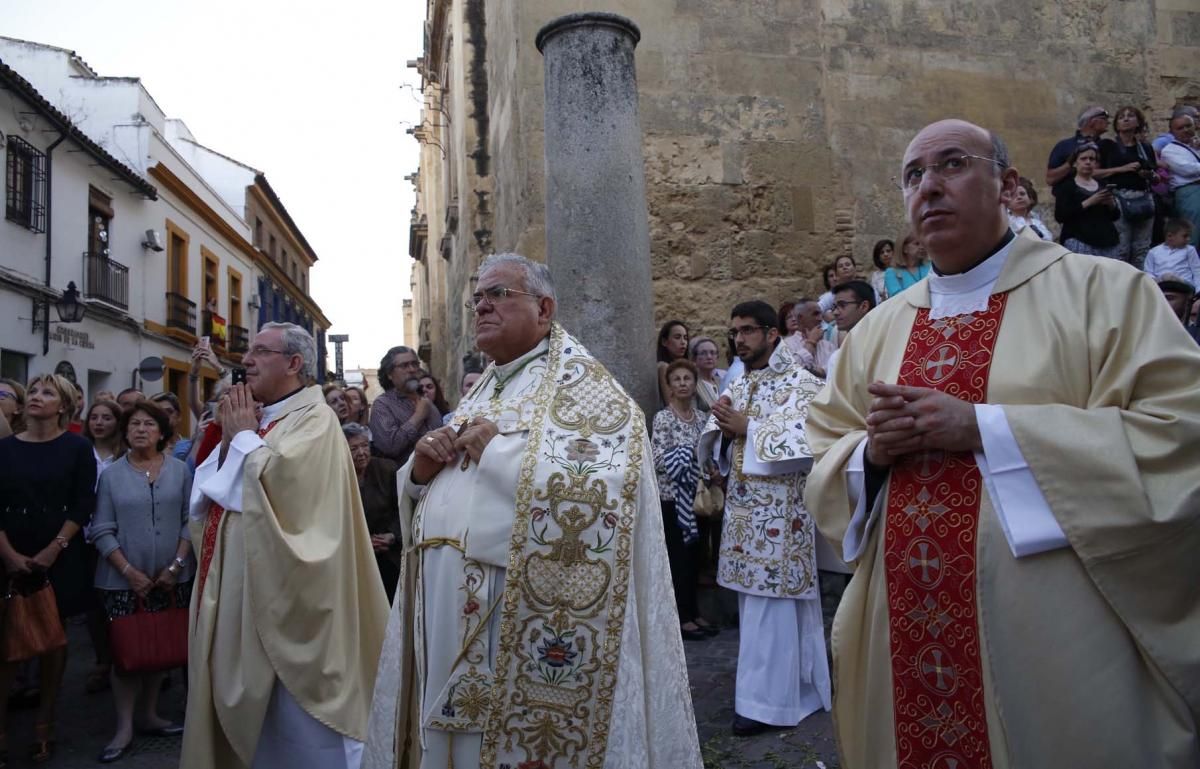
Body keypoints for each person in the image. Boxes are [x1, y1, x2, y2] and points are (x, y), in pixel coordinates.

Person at [804, 118, 1200, 768]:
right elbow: (826, 454)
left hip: (1057, 649)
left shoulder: (1104, 293)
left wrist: (986, 429)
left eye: (952, 164)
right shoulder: (874, 334)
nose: (929, 187)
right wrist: (870, 456)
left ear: (1008, 185)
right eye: (913, 175)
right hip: (905, 636)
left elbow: (1179, 433)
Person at [364, 253, 702, 769]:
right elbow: (436, 480)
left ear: (544, 309)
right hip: (440, 600)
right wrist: (418, 474)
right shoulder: (488, 387)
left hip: (511, 611)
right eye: (478, 296)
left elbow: (609, 484)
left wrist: (496, 453)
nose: (481, 305)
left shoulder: (585, 389)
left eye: (497, 294)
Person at [183, 322, 388, 769]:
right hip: (244, 588)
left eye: (261, 351)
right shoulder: (265, 415)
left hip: (290, 600)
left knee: (299, 734)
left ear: (294, 363)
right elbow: (213, 496)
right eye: (249, 351)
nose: (247, 360)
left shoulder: (315, 420)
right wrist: (232, 436)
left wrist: (241, 437)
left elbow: (285, 494)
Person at [698, 300, 830, 738]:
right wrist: (719, 439)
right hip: (742, 514)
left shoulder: (802, 383)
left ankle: (768, 705)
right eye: (734, 331)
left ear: (773, 334)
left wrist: (746, 428)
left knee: (773, 607)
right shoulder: (743, 382)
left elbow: (808, 442)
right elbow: (721, 434)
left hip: (781, 517)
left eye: (748, 330)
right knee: (754, 607)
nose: (738, 339)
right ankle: (774, 693)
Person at [0, 374, 97, 765]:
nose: (37, 397)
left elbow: (82, 503)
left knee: (54, 644)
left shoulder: (78, 447)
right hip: (9, 550)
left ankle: (45, 725)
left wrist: (54, 549)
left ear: (65, 406)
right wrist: (7, 554)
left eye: (47, 392)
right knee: (5, 644)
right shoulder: (4, 449)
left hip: (59, 554)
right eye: (34, 391)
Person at [90, 400, 193, 762]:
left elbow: (189, 521)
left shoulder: (181, 471)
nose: (140, 430)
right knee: (127, 652)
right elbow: (101, 528)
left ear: (162, 432)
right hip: (121, 581)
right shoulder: (112, 475)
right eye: (134, 424)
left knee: (158, 645)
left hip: (171, 577)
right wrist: (128, 572)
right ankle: (123, 726)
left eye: (149, 424)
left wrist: (176, 566)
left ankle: (150, 714)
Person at [652, 359, 716, 642]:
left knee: (697, 558)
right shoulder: (663, 419)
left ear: (694, 384)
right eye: (676, 379)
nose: (682, 383)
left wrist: (710, 467)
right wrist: (686, 458)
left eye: (687, 379)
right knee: (679, 560)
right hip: (672, 499)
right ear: (669, 385)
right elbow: (655, 458)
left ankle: (695, 611)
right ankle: (682, 617)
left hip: (698, 499)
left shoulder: (703, 419)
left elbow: (708, 455)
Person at [343, 423, 402, 602]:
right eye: (353, 448)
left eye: (364, 446)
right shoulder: (339, 475)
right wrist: (364, 542)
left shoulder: (387, 469)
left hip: (390, 552)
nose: (361, 453)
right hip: (355, 554)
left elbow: (403, 509)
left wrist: (392, 535)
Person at [1098, 105, 1158, 267]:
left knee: (1142, 247)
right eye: (1121, 117)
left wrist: (1149, 175)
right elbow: (1095, 172)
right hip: (1119, 198)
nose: (1125, 119)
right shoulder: (1108, 146)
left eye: (1130, 116)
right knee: (1121, 247)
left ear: (1138, 122)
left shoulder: (1145, 148)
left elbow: (1156, 177)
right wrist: (1121, 169)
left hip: (1143, 197)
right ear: (1116, 125)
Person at [369, 346, 443, 464]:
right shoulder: (382, 405)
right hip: (405, 478)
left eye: (415, 364)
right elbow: (390, 446)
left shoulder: (426, 402)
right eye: (404, 366)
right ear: (389, 374)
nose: (412, 369)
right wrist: (418, 416)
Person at [1054, 143, 1121, 257]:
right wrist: (1089, 202)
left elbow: (1115, 216)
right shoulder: (1067, 187)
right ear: (1075, 163)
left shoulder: (1103, 185)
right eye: (1083, 159)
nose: (1088, 162)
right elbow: (1060, 215)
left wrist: (1111, 204)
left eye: (1092, 159)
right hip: (1079, 240)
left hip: (1107, 241)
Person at [824, 280, 876, 403]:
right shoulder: (837, 357)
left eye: (842, 305)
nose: (835, 312)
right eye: (834, 307)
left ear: (864, 306)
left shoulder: (884, 346)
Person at [1046, 105, 1110, 188]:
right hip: (1069, 197)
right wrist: (1070, 163)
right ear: (1092, 121)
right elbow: (1050, 179)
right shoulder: (1065, 146)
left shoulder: (1108, 146)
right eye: (1104, 119)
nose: (1108, 123)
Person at [1161, 111, 1200, 248]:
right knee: (1193, 231)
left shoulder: (1196, 146)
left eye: (1188, 126)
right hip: (1189, 191)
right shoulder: (1169, 150)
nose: (1186, 130)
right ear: (1172, 131)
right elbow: (1187, 169)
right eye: (1180, 128)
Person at [786, 299, 837, 379]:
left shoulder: (829, 346)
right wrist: (811, 342)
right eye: (815, 314)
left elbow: (836, 373)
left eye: (821, 314)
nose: (820, 319)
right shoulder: (786, 345)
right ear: (800, 318)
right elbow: (791, 372)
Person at [1145, 219, 1200, 287]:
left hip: (1184, 286)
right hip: (1161, 285)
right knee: (1166, 278)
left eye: (1189, 236)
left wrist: (1198, 290)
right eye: (1185, 236)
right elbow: (1148, 272)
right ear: (1170, 236)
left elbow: (1197, 271)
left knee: (1172, 278)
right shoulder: (1153, 252)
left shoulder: (1190, 250)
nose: (1188, 239)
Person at [884, 232, 931, 297]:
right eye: (917, 244)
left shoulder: (931, 267)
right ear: (904, 249)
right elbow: (898, 297)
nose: (922, 247)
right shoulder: (892, 272)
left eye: (923, 243)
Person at [656, 319, 690, 406]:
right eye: (677, 337)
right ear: (664, 342)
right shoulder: (664, 367)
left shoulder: (687, 368)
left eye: (685, 338)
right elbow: (672, 403)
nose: (683, 342)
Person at [148, 392, 190, 462]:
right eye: (157, 412)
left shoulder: (189, 447)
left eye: (168, 411)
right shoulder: (145, 449)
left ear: (178, 416)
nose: (164, 415)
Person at [1157, 277, 1200, 344]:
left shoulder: (1196, 331)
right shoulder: (1150, 328)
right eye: (1160, 298)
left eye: (1169, 298)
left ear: (1187, 301)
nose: (1164, 302)